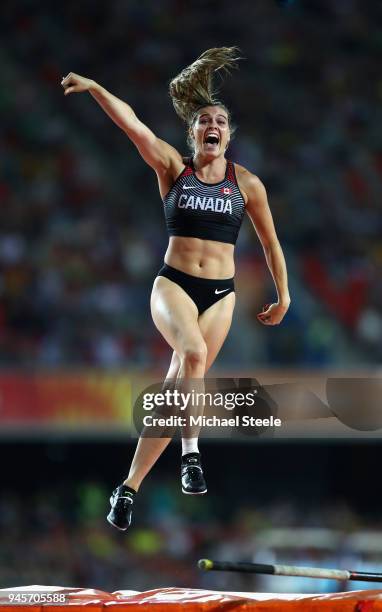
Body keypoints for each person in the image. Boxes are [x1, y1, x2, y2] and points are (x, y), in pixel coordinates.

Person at [61, 47, 291, 531]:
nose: (213, 125)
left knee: (173, 393)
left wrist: (284, 294)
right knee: (192, 357)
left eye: (221, 120)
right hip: (175, 286)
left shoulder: (247, 184)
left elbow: (271, 244)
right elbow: (133, 126)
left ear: (229, 135)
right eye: (204, 119)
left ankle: (127, 490)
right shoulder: (172, 167)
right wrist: (98, 88)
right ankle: (192, 456)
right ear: (194, 134)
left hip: (221, 294)